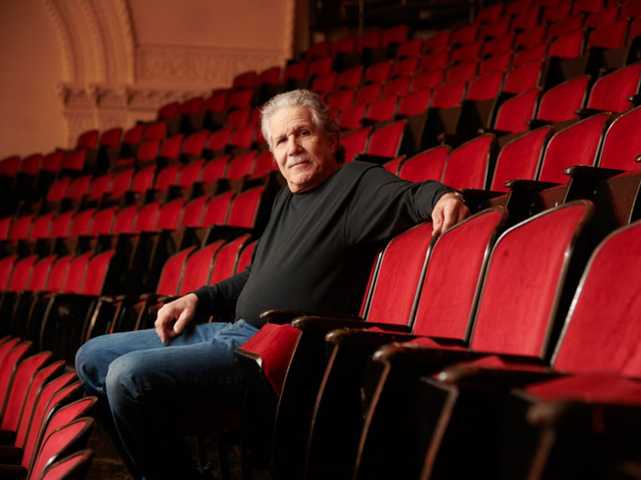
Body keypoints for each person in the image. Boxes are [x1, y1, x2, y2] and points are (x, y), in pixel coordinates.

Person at [75, 89, 469, 479]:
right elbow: (257, 272)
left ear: (331, 139)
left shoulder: (355, 182)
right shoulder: (287, 198)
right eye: (281, 140)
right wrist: (199, 296)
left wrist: (441, 197)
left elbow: (412, 196)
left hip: (278, 351)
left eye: (303, 133)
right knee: (91, 357)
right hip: (231, 333)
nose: (292, 147)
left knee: (126, 376)